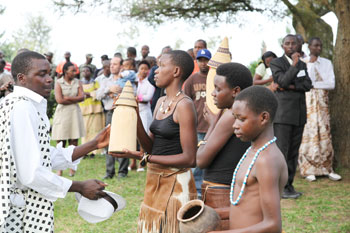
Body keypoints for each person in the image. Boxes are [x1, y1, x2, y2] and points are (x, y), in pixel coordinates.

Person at [0, 51, 110, 232]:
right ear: (22, 78)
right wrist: (79, 186)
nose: (49, 79)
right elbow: (31, 173)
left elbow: (42, 154)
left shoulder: (15, 103)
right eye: (41, 74)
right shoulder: (22, 108)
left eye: (49, 74)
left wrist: (94, 144)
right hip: (16, 211)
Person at [111, 50, 197, 233]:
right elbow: (151, 147)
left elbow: (190, 159)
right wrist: (133, 114)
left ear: (175, 71)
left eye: (161, 66)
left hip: (176, 183)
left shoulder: (185, 105)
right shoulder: (160, 101)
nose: (155, 71)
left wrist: (145, 158)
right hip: (155, 179)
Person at [210, 85, 288, 233]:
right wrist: (215, 213)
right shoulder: (253, 151)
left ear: (263, 118)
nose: (235, 125)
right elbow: (247, 208)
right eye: (234, 118)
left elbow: (273, 224)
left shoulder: (267, 160)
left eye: (241, 119)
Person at [196, 62, 252, 229]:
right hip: (233, 191)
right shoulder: (247, 112)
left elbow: (201, 160)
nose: (213, 94)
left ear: (235, 91)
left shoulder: (230, 116)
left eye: (218, 89)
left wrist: (212, 125)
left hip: (220, 193)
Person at [270, 34, 313, 199]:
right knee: (282, 152)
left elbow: (308, 85)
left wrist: (290, 86)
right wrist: (294, 66)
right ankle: (279, 187)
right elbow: (281, 81)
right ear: (283, 47)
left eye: (293, 43)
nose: (291, 46)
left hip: (299, 115)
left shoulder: (303, 64)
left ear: (299, 45)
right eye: (287, 44)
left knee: (293, 153)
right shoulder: (277, 63)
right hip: (283, 116)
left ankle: (289, 186)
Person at [298, 37, 341, 182]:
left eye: (320, 46)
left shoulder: (327, 63)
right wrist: (314, 79)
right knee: (309, 133)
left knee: (324, 132)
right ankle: (308, 169)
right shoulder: (303, 63)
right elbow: (303, 82)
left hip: (322, 103)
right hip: (308, 102)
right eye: (316, 45)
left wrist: (313, 84)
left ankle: (327, 168)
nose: (318, 48)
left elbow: (331, 84)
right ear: (309, 47)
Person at [184, 48, 212, 197]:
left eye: (206, 60)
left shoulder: (214, 78)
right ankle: (196, 191)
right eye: (200, 60)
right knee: (196, 161)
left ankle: (208, 188)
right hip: (197, 125)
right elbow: (186, 100)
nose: (203, 63)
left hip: (212, 126)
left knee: (210, 158)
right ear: (197, 62)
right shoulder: (192, 80)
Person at [96, 56, 129, 179]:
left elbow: (134, 93)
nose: (112, 66)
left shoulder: (127, 78)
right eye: (111, 64)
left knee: (124, 140)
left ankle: (122, 171)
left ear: (121, 66)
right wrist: (109, 89)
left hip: (124, 111)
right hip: (110, 112)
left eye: (115, 64)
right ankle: (109, 172)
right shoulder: (105, 80)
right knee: (109, 141)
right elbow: (98, 95)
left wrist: (118, 92)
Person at [51, 62, 86, 177]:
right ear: (65, 71)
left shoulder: (78, 82)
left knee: (74, 142)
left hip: (74, 114)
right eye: (72, 70)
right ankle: (59, 168)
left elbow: (82, 97)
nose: (75, 72)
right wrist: (74, 99)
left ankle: (72, 167)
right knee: (61, 142)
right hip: (62, 114)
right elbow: (59, 100)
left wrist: (68, 98)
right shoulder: (58, 83)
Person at [129, 60, 155, 171]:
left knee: (142, 137)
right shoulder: (133, 81)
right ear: (138, 69)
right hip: (133, 111)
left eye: (146, 69)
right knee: (132, 136)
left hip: (144, 112)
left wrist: (136, 98)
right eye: (141, 68)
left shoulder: (150, 84)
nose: (143, 71)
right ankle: (132, 162)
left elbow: (147, 98)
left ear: (148, 71)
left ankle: (142, 162)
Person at [79, 66, 105, 158]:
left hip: (96, 110)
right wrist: (91, 93)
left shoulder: (95, 82)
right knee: (85, 131)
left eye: (87, 70)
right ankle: (84, 151)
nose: (85, 72)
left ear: (91, 72)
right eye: (83, 71)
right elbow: (80, 94)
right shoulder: (79, 83)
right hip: (84, 111)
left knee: (95, 131)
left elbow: (99, 94)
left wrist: (89, 94)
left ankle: (94, 151)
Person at [148, 46, 172, 113]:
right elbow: (150, 79)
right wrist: (160, 66)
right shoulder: (155, 68)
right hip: (157, 96)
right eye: (165, 53)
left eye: (169, 53)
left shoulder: (173, 68)